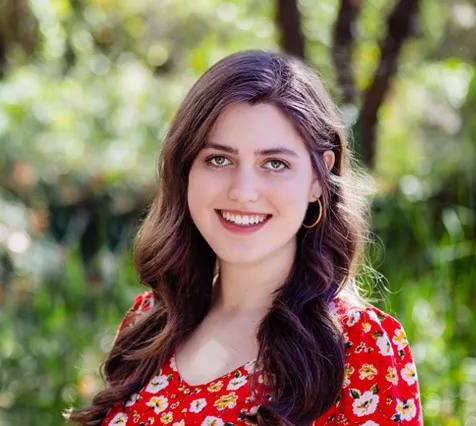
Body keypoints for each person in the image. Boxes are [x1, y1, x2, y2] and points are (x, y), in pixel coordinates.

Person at [69, 50, 423, 425]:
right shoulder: (149, 323)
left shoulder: (361, 348)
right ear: (186, 168)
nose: (243, 191)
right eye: (219, 159)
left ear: (319, 178)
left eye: (275, 163)